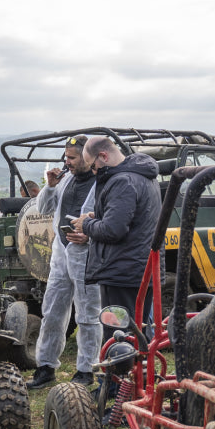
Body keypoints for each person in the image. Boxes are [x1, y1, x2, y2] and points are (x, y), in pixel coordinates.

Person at [27, 136, 102, 390]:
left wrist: (89, 234)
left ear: (88, 157)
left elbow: (111, 220)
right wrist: (49, 186)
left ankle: (86, 368)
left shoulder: (102, 183)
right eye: (66, 156)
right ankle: (45, 366)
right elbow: (45, 208)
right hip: (60, 253)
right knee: (52, 311)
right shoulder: (65, 179)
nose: (67, 162)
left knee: (88, 314)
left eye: (72, 157)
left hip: (87, 254)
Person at [73, 136, 161, 320]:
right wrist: (99, 218)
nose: (94, 172)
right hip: (139, 270)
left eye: (93, 167)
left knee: (119, 337)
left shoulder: (122, 181)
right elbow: (132, 219)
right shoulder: (143, 177)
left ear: (103, 156)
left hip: (122, 273)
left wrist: (86, 224)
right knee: (139, 332)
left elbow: (113, 230)